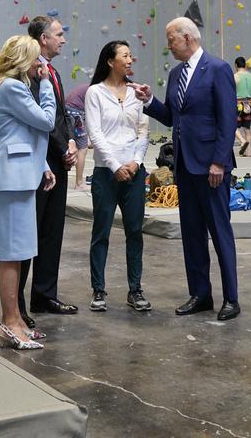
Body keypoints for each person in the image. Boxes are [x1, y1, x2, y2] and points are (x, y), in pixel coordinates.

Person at [134, 17, 239, 322]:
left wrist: (219, 161)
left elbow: (228, 118)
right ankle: (200, 294)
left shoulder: (217, 69)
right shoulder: (176, 73)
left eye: (171, 40)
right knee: (192, 234)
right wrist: (150, 100)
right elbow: (171, 117)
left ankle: (231, 297)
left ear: (188, 37)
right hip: (184, 165)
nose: (168, 46)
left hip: (211, 167)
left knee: (220, 233)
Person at [0, 35, 56, 351]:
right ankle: (9, 322)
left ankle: (17, 320)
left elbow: (22, 133)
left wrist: (44, 165)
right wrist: (49, 86)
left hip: (21, 174)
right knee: (11, 253)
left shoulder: (14, 86)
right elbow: (46, 121)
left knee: (20, 250)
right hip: (11, 179)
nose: (42, 64)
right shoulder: (12, 87)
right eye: (38, 58)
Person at [18, 16, 78, 327]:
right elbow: (39, 119)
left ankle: (44, 294)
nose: (63, 39)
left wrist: (69, 144)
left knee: (52, 230)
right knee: (29, 234)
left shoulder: (52, 71)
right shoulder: (29, 71)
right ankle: (17, 306)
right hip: (39, 161)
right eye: (59, 33)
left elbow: (60, 114)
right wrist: (60, 149)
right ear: (43, 38)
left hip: (57, 158)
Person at [85, 41, 150, 313]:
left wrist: (136, 162)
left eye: (130, 55)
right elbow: (95, 134)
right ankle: (98, 290)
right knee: (101, 232)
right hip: (106, 174)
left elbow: (143, 130)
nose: (130, 59)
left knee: (135, 232)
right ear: (110, 61)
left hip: (134, 173)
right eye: (124, 55)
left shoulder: (138, 93)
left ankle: (135, 290)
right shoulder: (95, 93)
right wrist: (114, 166)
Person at [64, 81, 89, 189]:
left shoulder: (89, 87)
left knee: (75, 145)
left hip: (69, 112)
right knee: (82, 148)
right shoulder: (97, 89)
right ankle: (79, 183)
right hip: (75, 113)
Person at [234, 57, 251, 157]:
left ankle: (242, 140)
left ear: (236, 65)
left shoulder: (235, 76)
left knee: (232, 126)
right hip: (249, 104)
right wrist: (249, 91)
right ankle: (248, 152)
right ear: (245, 65)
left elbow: (230, 89)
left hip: (239, 104)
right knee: (247, 129)